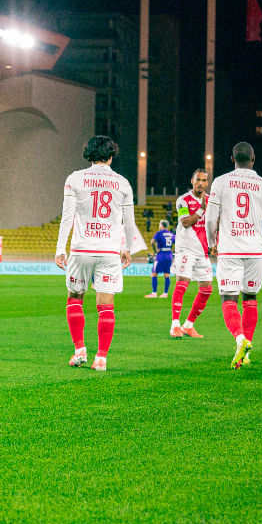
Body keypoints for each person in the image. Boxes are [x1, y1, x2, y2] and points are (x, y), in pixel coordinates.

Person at [205, 142, 262, 368]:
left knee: (229, 299)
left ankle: (240, 339)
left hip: (230, 247)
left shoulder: (220, 181)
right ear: (254, 158)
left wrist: (212, 242)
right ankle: (246, 353)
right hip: (254, 249)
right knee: (250, 299)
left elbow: (210, 217)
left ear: (232, 159)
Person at [54, 135, 135, 372]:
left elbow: (67, 216)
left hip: (81, 249)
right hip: (109, 251)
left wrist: (60, 248)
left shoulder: (75, 179)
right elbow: (128, 221)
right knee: (106, 306)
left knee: (75, 298)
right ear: (111, 155)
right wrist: (127, 248)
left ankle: (80, 350)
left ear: (88, 154)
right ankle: (101, 358)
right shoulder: (122, 182)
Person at [170, 170, 213, 339]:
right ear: (192, 181)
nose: (200, 183)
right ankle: (175, 325)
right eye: (198, 180)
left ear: (207, 183)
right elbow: (185, 222)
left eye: (204, 180)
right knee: (182, 284)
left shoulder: (210, 200)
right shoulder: (183, 200)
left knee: (207, 289)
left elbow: (212, 224)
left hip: (203, 251)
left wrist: (214, 243)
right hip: (185, 249)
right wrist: (202, 210)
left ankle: (188, 325)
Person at [145, 220, 175, 298]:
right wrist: (172, 251)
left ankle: (154, 293)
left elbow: (152, 242)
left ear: (162, 225)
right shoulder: (171, 234)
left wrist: (155, 251)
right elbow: (176, 243)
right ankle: (165, 293)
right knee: (167, 274)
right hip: (169, 256)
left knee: (154, 273)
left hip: (161, 255)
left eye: (159, 224)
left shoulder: (159, 233)